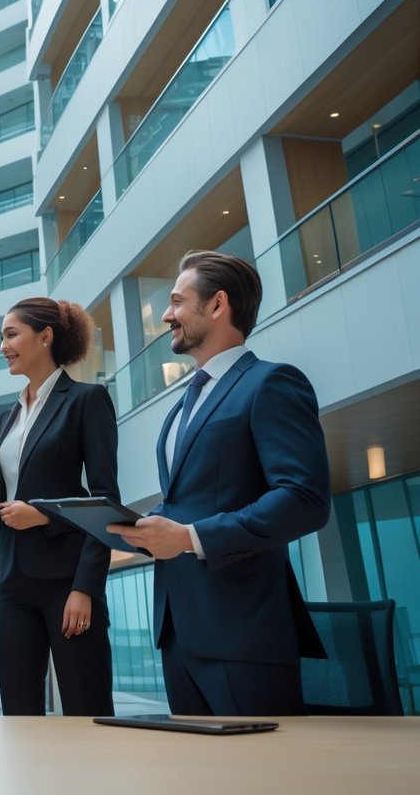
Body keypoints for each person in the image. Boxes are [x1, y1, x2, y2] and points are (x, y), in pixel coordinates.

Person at [108, 250, 329, 716]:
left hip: (243, 631)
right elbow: (190, 502)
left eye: (176, 302)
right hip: (178, 632)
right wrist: (149, 531)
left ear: (216, 305)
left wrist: (188, 537)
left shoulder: (271, 383)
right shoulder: (180, 407)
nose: (166, 315)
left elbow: (304, 499)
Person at [0, 298, 117, 716]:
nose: (3, 345)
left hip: (68, 582)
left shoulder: (87, 400)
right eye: (1, 337)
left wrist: (85, 588)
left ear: (46, 335)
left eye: (11, 334)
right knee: (19, 715)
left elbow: (107, 502)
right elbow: (9, 511)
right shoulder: (7, 417)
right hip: (11, 584)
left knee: (88, 711)